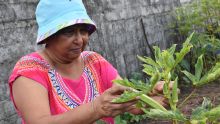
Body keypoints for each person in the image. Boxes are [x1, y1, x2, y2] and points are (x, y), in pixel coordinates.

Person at [8, 0, 168, 124]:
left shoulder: (94, 61)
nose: (80, 40)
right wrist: (95, 109)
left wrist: (154, 95)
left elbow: (129, 103)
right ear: (49, 36)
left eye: (83, 31)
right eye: (69, 32)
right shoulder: (30, 70)